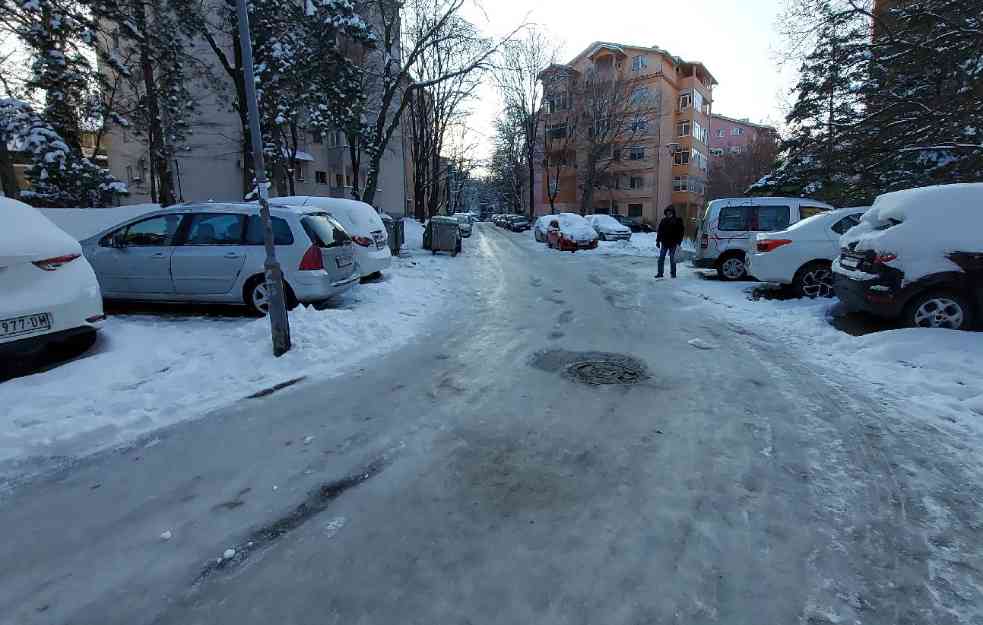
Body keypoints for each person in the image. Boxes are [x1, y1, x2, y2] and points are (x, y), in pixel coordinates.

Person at [656, 206, 685, 279]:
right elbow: (660, 231)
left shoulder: (677, 221)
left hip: (673, 243)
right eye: (667, 212)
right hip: (664, 243)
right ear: (666, 213)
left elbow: (681, 232)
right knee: (661, 258)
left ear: (673, 212)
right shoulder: (663, 220)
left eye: (670, 212)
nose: (668, 213)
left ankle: (673, 274)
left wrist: (679, 242)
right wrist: (658, 241)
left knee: (672, 259)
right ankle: (660, 273)